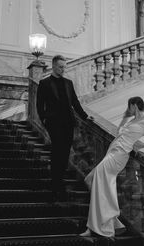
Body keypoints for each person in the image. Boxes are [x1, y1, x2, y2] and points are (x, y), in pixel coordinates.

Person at [80, 96, 144, 237]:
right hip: (112, 153)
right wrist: (125, 117)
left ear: (134, 106)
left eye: (129, 107)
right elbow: (119, 132)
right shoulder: (132, 120)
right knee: (89, 180)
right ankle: (109, 220)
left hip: (119, 156)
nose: (128, 109)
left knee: (97, 183)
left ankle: (96, 226)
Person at [36, 55, 93, 198]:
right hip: (54, 123)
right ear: (54, 66)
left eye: (64, 67)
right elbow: (39, 105)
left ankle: (59, 181)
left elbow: (75, 102)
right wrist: (44, 120)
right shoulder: (45, 83)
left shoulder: (68, 83)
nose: (63, 69)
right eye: (60, 67)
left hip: (68, 122)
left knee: (65, 153)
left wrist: (85, 116)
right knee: (57, 152)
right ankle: (55, 184)